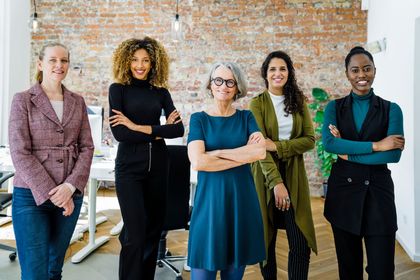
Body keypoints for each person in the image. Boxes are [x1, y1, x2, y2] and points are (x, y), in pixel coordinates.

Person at [8, 42, 94, 279]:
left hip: (70, 195)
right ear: (40, 64)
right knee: (35, 273)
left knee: (54, 270)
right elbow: (20, 152)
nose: (59, 65)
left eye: (64, 60)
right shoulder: (23, 100)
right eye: (53, 60)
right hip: (30, 197)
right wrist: (53, 194)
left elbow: (87, 147)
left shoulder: (77, 101)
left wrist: (69, 188)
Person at [322, 46, 404, 280]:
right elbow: (330, 144)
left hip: (379, 197)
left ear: (374, 71)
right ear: (347, 74)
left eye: (367, 69)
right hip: (344, 197)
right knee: (349, 271)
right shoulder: (334, 108)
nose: (361, 75)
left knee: (383, 271)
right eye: (355, 70)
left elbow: (393, 155)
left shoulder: (392, 109)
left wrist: (347, 152)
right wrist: (377, 146)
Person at [108, 37, 184, 279]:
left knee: (152, 231)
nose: (140, 65)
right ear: (126, 61)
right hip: (129, 169)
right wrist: (158, 131)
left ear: (154, 64)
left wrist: (137, 126)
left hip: (159, 167)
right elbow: (120, 133)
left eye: (146, 60)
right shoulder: (117, 90)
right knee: (135, 233)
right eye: (134, 60)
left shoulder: (161, 93)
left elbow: (178, 130)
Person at [187, 62, 266, 279]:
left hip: (240, 205)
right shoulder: (199, 119)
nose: (224, 86)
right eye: (218, 80)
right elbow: (199, 162)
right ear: (210, 85)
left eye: (230, 81)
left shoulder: (246, 117)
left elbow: (259, 153)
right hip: (209, 205)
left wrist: (215, 153)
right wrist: (242, 154)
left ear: (237, 87)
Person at [249, 50, 318, 279]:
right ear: (265, 74)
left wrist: (278, 146)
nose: (278, 73)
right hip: (264, 175)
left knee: (300, 242)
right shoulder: (256, 104)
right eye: (272, 69)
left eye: (283, 69)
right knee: (266, 241)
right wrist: (276, 183)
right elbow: (260, 148)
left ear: (289, 73)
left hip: (295, 175)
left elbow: (309, 139)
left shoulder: (298, 102)